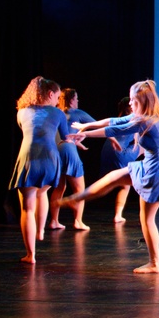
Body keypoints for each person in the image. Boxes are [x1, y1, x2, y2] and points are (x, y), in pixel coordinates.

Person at [59, 80, 159, 274]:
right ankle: (77, 198)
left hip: (157, 173)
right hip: (150, 167)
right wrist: (87, 125)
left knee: (147, 219)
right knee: (114, 177)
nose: (130, 103)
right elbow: (112, 121)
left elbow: (114, 130)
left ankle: (155, 263)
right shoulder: (143, 116)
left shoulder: (148, 121)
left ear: (142, 101)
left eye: (132, 100)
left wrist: (87, 134)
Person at [9, 76, 68, 264]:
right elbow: (66, 137)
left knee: (27, 207)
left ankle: (30, 255)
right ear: (50, 94)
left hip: (29, 159)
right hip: (50, 161)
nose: (58, 101)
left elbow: (26, 130)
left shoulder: (22, 112)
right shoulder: (58, 113)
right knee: (42, 193)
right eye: (57, 97)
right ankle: (40, 231)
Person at [48, 88, 95, 232]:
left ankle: (54, 221)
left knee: (59, 187)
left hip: (55, 151)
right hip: (68, 151)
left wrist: (77, 141)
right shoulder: (76, 113)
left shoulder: (56, 112)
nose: (78, 101)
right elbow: (96, 125)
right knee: (79, 189)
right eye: (76, 98)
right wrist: (112, 139)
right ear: (71, 100)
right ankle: (78, 221)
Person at [99, 97, 141, 224]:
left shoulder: (117, 120)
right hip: (119, 154)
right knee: (126, 184)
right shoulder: (135, 120)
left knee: (114, 182)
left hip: (106, 153)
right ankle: (118, 215)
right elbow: (138, 141)